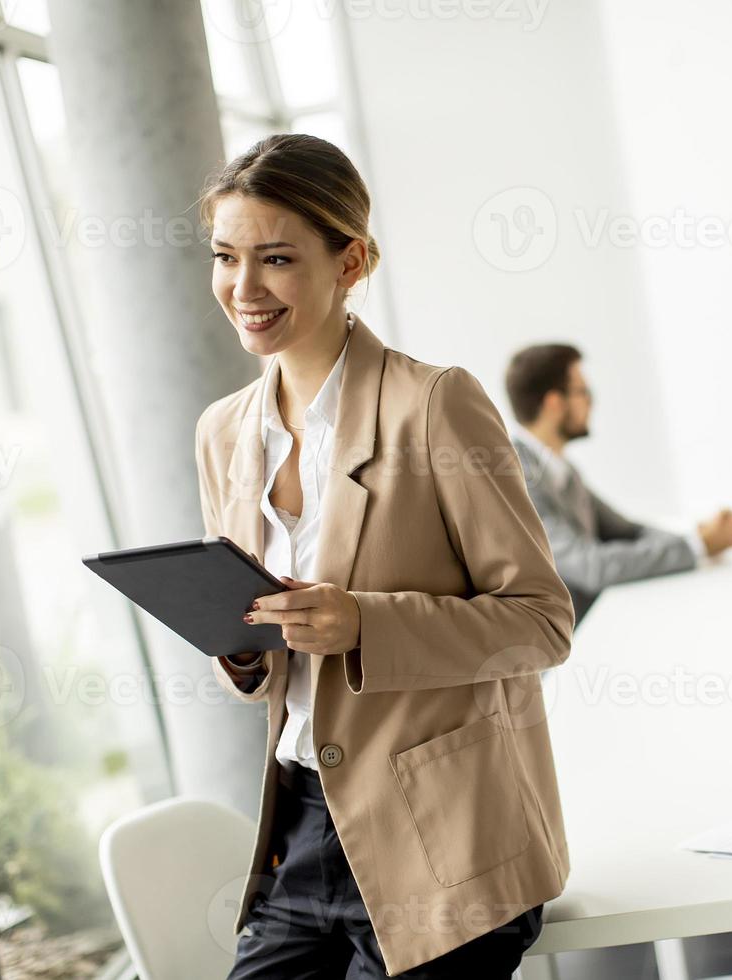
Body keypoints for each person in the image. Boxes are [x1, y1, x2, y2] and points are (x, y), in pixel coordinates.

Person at [192, 134, 573, 979]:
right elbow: (254, 659)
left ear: (350, 260)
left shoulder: (434, 406)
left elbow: (541, 624)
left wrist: (363, 623)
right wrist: (242, 651)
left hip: (444, 841)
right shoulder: (223, 431)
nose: (243, 289)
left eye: (276, 258)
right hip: (296, 834)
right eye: (225, 257)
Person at [504, 344, 732, 620]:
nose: (591, 402)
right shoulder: (517, 480)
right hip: (568, 651)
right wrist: (697, 546)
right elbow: (593, 567)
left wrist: (698, 537)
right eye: (583, 392)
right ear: (554, 403)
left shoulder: (562, 469)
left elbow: (627, 530)